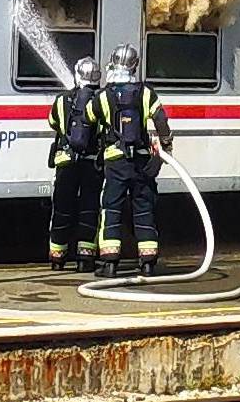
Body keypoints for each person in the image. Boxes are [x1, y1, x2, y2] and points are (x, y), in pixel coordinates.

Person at [91, 43, 174, 269]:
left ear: (113, 62)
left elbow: (89, 118)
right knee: (143, 207)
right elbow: (161, 121)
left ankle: (110, 264)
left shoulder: (103, 95)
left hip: (115, 161)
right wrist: (166, 145)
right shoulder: (146, 93)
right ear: (135, 65)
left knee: (111, 208)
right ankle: (148, 263)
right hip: (141, 161)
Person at [46, 66, 102, 272]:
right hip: (92, 163)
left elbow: (53, 122)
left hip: (65, 162)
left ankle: (57, 258)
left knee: (62, 208)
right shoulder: (100, 99)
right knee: (89, 208)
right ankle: (85, 259)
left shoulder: (62, 100)